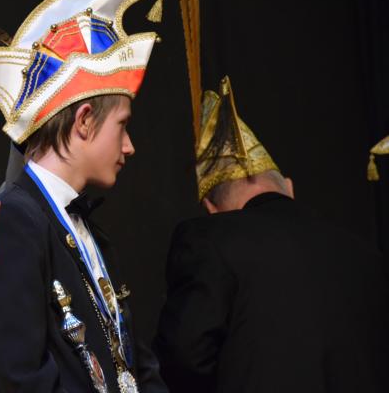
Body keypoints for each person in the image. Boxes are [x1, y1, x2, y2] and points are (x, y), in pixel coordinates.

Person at [0, 0, 167, 392]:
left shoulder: (85, 227)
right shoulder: (15, 221)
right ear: (84, 121)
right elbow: (20, 378)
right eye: (122, 126)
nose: (130, 146)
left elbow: (135, 360)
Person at [153, 76, 389, 393]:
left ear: (211, 208)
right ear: (289, 187)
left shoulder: (209, 240)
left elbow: (183, 359)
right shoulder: (367, 256)